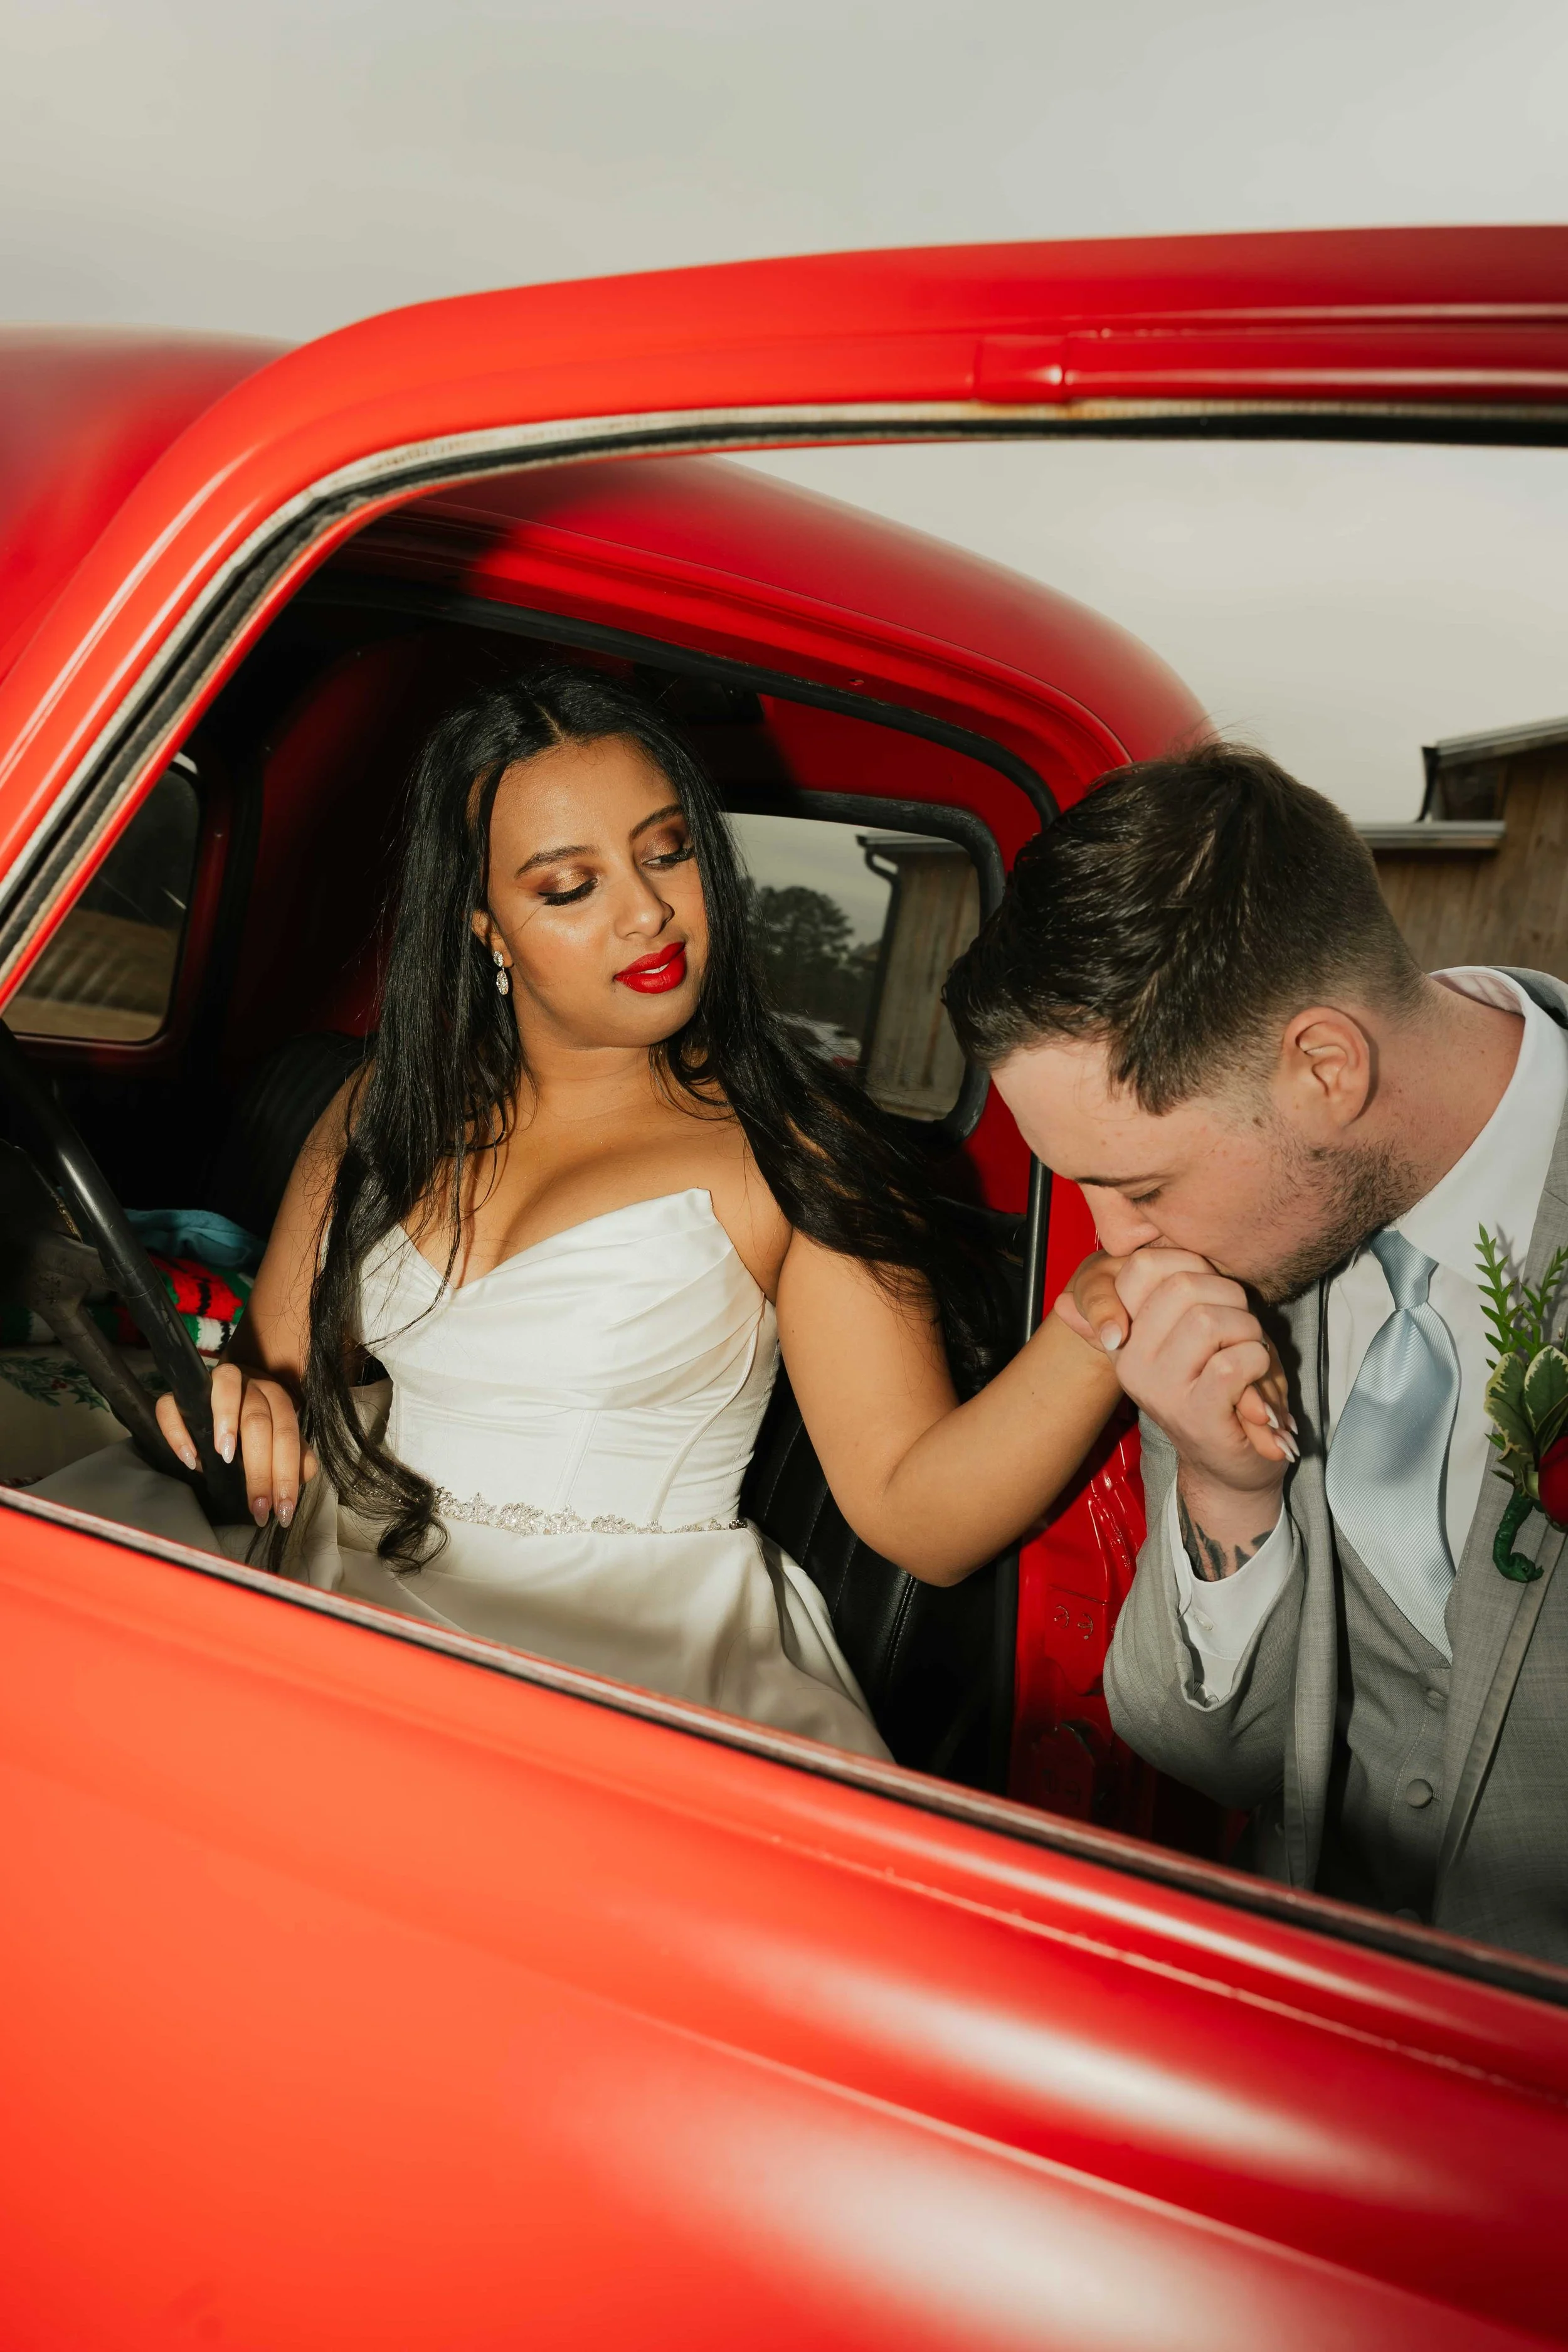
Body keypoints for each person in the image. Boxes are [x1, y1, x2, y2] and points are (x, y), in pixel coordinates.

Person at [32, 672, 1287, 1764]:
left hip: (621, 1658)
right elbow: (279, 1373)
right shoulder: (382, 1105)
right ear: (487, 931)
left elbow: (914, 1512)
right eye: (569, 886)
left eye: (668, 849)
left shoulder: (784, 1149)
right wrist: (252, 1403)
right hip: (338, 1563)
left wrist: (1087, 1326)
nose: (644, 912)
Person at [945, 740, 1568, 1965]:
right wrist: (1230, 1497)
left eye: (1138, 1187)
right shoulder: (1239, 1267)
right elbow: (1212, 1755)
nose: (1113, 1249)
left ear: (1323, 1069)